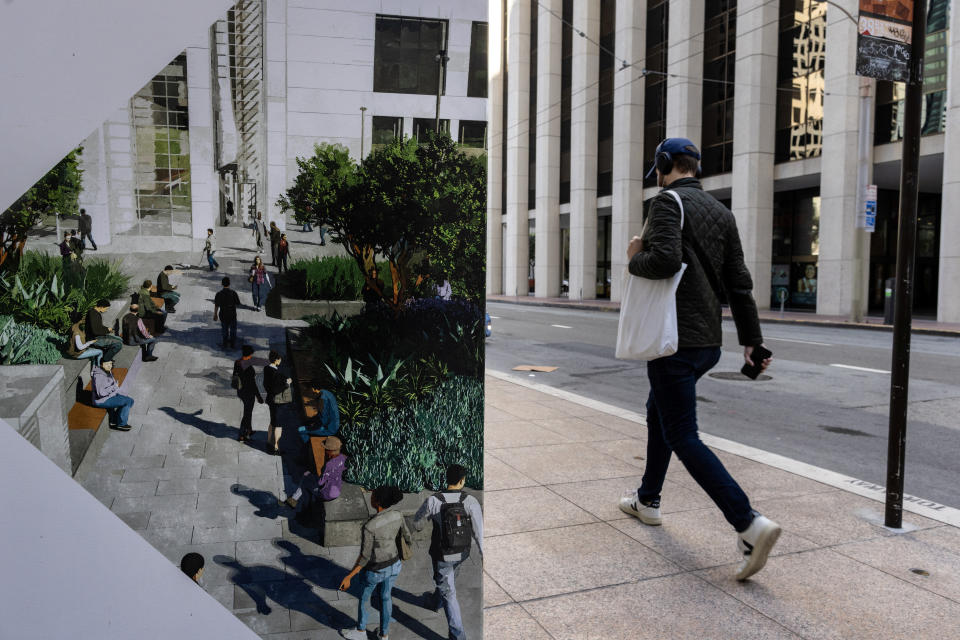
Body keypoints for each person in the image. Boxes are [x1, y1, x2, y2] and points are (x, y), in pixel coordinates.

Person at [618, 137, 779, 581]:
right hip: (708, 343)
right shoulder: (722, 212)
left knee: (684, 436)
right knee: (660, 412)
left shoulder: (666, 202)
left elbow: (664, 261)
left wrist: (634, 258)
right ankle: (647, 500)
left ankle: (748, 523)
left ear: (664, 166)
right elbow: (739, 283)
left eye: (658, 168)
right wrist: (752, 341)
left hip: (674, 342)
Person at [413, 464, 483, 640]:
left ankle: (458, 636)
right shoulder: (471, 501)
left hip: (442, 554)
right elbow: (479, 533)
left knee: (449, 592)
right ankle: (435, 601)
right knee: (447, 580)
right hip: (462, 553)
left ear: (447, 478)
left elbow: (417, 523)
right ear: (462, 481)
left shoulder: (434, 500)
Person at [339, 485, 411, 640]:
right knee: (386, 597)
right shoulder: (398, 515)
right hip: (395, 565)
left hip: (375, 571)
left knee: (365, 598)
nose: (370, 496)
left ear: (377, 502)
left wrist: (349, 577)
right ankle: (384, 634)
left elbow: (364, 558)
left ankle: (361, 631)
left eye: (372, 495)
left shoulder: (369, 527)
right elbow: (408, 537)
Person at [281, 435, 347, 545]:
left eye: (326, 450)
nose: (325, 451)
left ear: (330, 451)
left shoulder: (330, 464)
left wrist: (312, 475)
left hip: (327, 492)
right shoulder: (343, 458)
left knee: (306, 482)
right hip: (337, 487)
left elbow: (321, 482)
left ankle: (301, 508)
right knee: (308, 480)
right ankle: (294, 500)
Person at [91, 360, 134, 431]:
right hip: (102, 400)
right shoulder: (98, 375)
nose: (110, 366)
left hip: (108, 396)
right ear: (102, 365)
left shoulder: (107, 371)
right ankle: (121, 424)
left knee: (131, 401)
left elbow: (112, 386)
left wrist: (115, 388)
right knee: (127, 401)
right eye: (108, 364)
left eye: (111, 364)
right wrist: (114, 388)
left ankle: (114, 420)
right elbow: (101, 393)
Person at [263, 350, 292, 456]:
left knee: (272, 422)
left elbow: (267, 385)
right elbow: (276, 389)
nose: (281, 361)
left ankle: (268, 443)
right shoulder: (275, 373)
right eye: (279, 359)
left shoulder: (266, 369)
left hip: (270, 400)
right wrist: (286, 384)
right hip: (277, 402)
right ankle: (276, 447)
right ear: (276, 360)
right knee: (278, 425)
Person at [233, 345, 263, 442]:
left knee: (248, 412)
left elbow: (235, 376)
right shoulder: (248, 368)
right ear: (249, 355)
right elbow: (253, 384)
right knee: (247, 413)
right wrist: (259, 396)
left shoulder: (237, 362)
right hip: (248, 393)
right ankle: (242, 435)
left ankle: (248, 430)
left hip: (240, 391)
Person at [213, 276, 241, 349]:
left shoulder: (219, 294)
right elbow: (238, 303)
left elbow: (216, 305)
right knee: (233, 330)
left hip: (223, 314)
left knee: (224, 329)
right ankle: (232, 344)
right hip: (232, 314)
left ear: (222, 284)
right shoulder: (233, 293)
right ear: (229, 284)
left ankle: (225, 343)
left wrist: (215, 315)